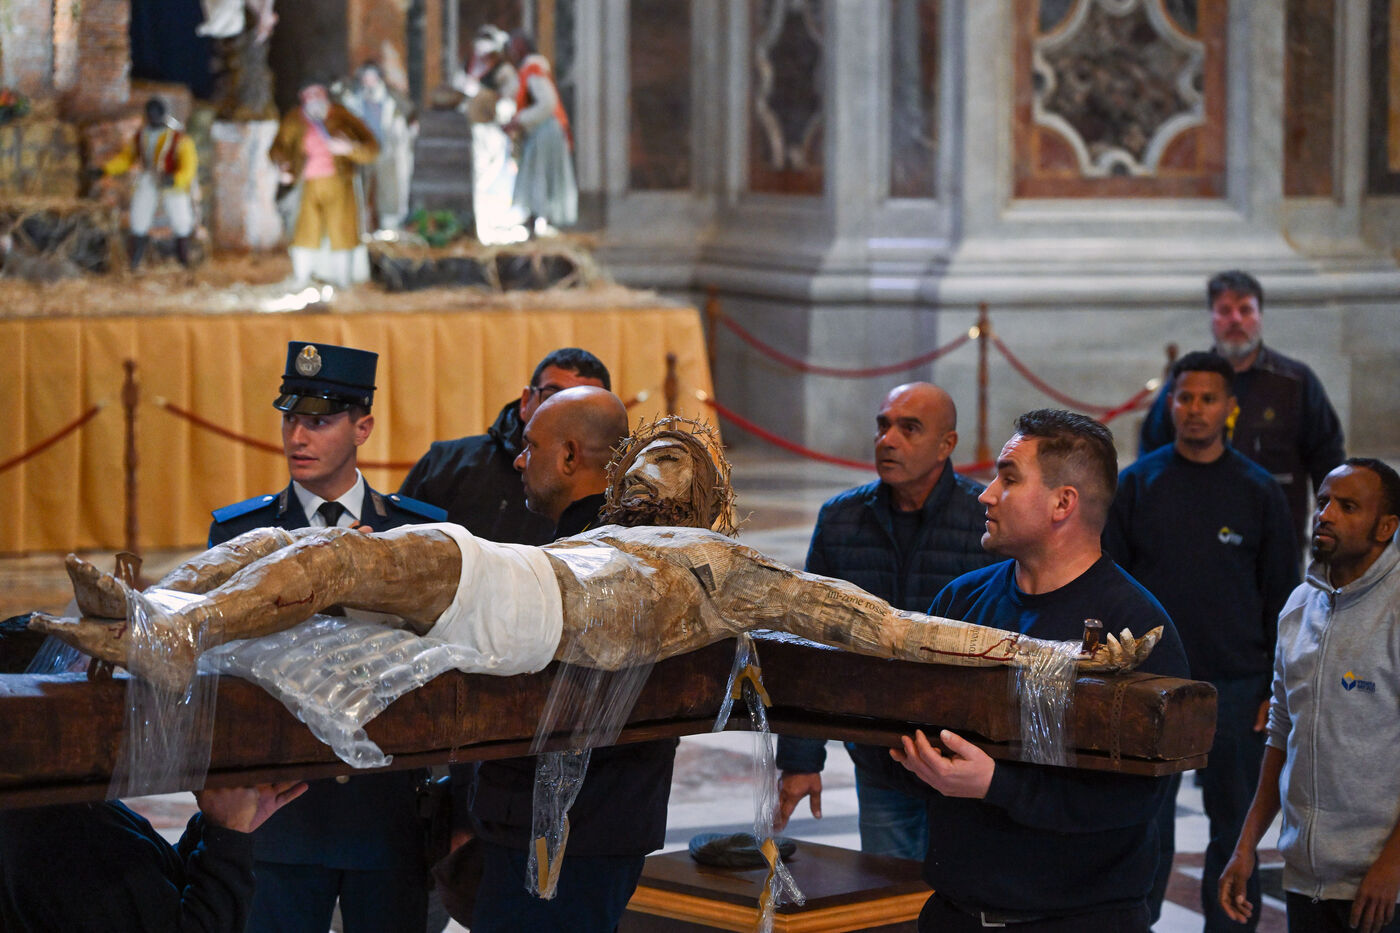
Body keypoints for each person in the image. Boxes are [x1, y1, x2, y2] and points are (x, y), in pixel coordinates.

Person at [33, 416, 1162, 695]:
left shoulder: (735, 571)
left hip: (532, 607)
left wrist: (1053, 659)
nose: (644, 474)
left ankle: (178, 636)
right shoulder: (614, 526)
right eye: (640, 463)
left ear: (706, 495)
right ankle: (152, 604)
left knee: (342, 559)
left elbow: (891, 628)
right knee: (291, 536)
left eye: (667, 461)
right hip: (519, 585)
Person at [890, 409, 1191, 933]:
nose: (986, 495)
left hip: (1078, 920)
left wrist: (997, 785)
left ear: (1062, 503)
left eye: (1008, 479)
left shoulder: (1136, 627)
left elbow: (1137, 798)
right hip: (955, 914)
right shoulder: (960, 601)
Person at [206, 340, 445, 933]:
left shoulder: (418, 531)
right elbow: (222, 666)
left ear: (362, 427)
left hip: (386, 805)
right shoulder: (242, 534)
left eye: (318, 422)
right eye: (290, 420)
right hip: (282, 809)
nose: (297, 437)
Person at [468, 386, 679, 932]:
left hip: (553, 832)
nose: (520, 460)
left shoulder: (578, 564)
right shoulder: (652, 547)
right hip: (611, 823)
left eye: (530, 446)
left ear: (568, 456)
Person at [1105, 352, 1299, 931]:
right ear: (1171, 403)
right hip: (1151, 684)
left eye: (1208, 399)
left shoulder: (1258, 491)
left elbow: (1282, 598)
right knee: (1145, 825)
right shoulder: (1137, 484)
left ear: (1229, 408)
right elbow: (1111, 584)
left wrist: (1274, 688)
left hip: (1236, 687)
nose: (1195, 409)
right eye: (1185, 397)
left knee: (1234, 827)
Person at [774, 383, 997, 859]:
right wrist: (800, 758)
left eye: (909, 428)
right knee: (888, 889)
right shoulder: (842, 519)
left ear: (947, 444)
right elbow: (810, 643)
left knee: (964, 886)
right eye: (883, 425)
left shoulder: (985, 520)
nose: (887, 440)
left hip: (965, 756)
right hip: (881, 755)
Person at [1220, 460, 1400, 933]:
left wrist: (1392, 867)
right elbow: (1282, 734)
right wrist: (1246, 846)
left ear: (1386, 527)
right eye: (1323, 502)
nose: (1326, 515)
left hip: (1382, 889)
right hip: (1305, 880)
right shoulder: (1299, 606)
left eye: (1348, 506)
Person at [1138, 270, 1345, 549]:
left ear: (1260, 316)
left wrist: (1332, 528)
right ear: (1211, 317)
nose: (1235, 319)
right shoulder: (1185, 382)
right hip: (1194, 533)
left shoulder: (1295, 382)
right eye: (1225, 310)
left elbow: (1327, 459)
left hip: (1274, 534)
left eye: (1245, 310)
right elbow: (1152, 454)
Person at [0, 784, 307, 932]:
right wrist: (227, 835)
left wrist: (217, 828)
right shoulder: (69, 835)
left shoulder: (60, 805)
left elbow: (155, 895)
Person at [398, 347, 610, 544]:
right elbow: (399, 545)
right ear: (525, 401)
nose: (562, 414)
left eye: (581, 407)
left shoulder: (610, 490)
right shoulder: (446, 463)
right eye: (551, 397)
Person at [268, 81, 379, 288]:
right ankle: (302, 279)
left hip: (340, 183)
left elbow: (372, 148)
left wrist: (349, 148)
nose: (314, 100)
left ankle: (343, 281)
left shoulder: (343, 117)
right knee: (304, 233)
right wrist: (282, 167)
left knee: (342, 232)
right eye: (308, 95)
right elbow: (278, 148)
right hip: (307, 184)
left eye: (317, 94)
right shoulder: (294, 120)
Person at [101, 97, 198, 271]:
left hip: (171, 182)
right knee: (139, 217)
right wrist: (106, 169)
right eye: (150, 113)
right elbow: (127, 158)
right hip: (148, 178)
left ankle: (184, 262)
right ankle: (134, 263)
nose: (153, 117)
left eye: (156, 113)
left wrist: (176, 179)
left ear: (163, 114)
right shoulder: (141, 135)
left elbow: (189, 166)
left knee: (181, 219)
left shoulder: (179, 138)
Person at [502, 32, 577, 236]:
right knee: (534, 174)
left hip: (546, 131)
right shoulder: (526, 72)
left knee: (539, 175)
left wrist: (519, 120)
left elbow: (547, 103)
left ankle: (539, 219)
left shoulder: (533, 70)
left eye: (514, 47)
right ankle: (533, 219)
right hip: (538, 131)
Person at [338, 62, 415, 232]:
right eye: (366, 78)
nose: (369, 82)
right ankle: (361, 229)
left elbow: (409, 114)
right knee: (360, 189)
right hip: (363, 151)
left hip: (387, 150)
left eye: (372, 78)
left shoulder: (391, 98)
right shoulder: (353, 98)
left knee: (389, 189)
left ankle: (390, 228)